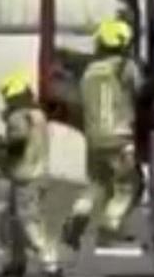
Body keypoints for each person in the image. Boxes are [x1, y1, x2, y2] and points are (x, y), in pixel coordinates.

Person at [61, 17, 144, 252]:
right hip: (120, 138)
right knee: (129, 185)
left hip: (95, 139)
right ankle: (110, 226)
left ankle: (77, 216)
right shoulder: (124, 67)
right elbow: (142, 89)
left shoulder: (89, 72)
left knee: (97, 184)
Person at [0, 72, 62, 277]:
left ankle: (50, 263)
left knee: (28, 222)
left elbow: (17, 142)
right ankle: (15, 264)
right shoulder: (38, 114)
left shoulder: (19, 116)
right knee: (11, 222)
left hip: (26, 176)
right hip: (36, 174)